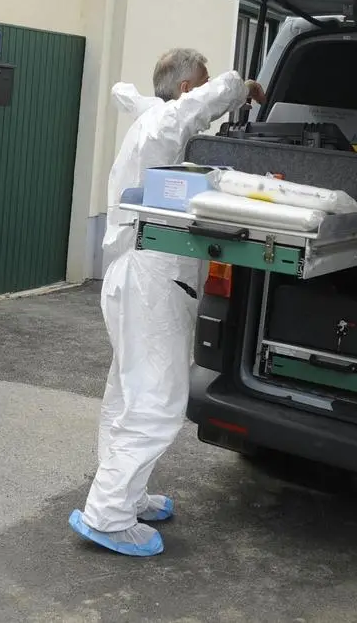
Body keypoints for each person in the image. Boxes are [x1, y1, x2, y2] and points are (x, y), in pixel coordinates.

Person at [69, 48, 265, 557]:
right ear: (185, 89)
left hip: (134, 277)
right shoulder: (165, 123)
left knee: (128, 395)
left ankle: (126, 497)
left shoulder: (150, 125)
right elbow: (198, 106)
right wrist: (242, 88)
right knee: (157, 401)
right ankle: (109, 514)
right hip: (152, 282)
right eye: (200, 83)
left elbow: (159, 108)